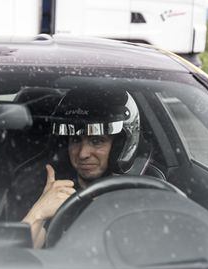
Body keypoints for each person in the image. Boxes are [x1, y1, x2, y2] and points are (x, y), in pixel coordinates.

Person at [22, 87, 143, 248]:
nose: (83, 153)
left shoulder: (142, 195)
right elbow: (14, 259)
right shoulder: (44, 189)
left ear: (119, 146)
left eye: (96, 141)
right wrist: (39, 213)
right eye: (76, 140)